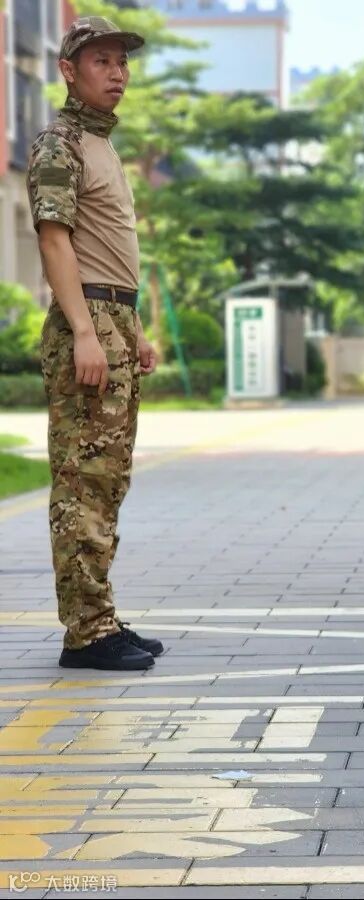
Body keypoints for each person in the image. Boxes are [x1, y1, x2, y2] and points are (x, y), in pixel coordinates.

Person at [27, 16, 163, 670]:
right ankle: (86, 634)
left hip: (114, 319)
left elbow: (107, 247)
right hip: (87, 322)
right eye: (101, 61)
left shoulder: (101, 143)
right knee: (82, 483)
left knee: (106, 482)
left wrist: (133, 330)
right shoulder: (60, 144)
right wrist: (85, 331)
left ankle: (99, 616)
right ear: (68, 71)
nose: (117, 73)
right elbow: (54, 242)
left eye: (121, 62)